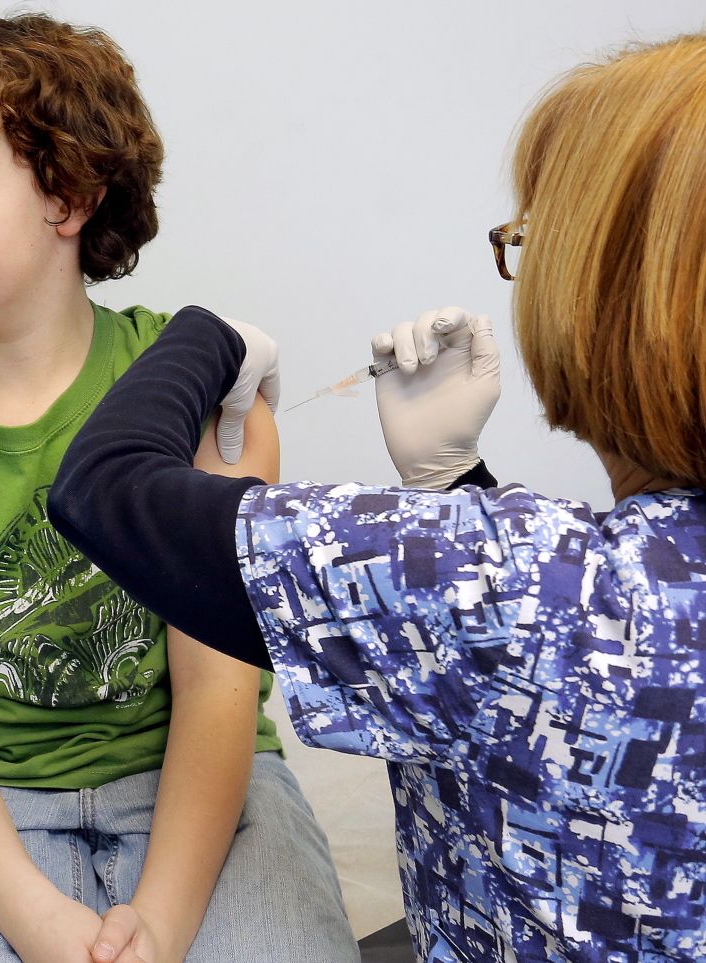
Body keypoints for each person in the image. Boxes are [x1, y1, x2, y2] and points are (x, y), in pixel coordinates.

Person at [49, 33, 706, 963]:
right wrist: (453, 483)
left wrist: (204, 336)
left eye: (531, 240)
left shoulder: (530, 592)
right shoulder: (542, 590)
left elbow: (104, 492)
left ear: (608, 289)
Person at [0, 13, 358, 963]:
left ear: (68, 199)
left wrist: (164, 925)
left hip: (198, 789)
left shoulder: (205, 407)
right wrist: (40, 922)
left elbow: (219, 691)